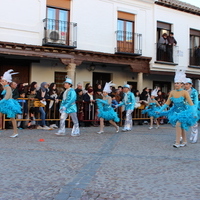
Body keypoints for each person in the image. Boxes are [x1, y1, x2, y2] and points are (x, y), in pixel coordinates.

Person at [158, 69, 198, 148]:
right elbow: (167, 103)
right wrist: (160, 110)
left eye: (178, 83)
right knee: (182, 126)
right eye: (175, 83)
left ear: (182, 84)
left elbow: (190, 103)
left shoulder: (184, 92)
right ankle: (185, 141)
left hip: (184, 112)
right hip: (175, 112)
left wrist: (194, 112)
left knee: (178, 124)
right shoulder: (172, 92)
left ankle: (177, 142)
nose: (176, 84)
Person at [0, 69, 22, 137]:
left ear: (7, 82)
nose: (2, 82)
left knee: (12, 119)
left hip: (9, 104)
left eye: (4, 81)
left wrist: (0, 101)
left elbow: (6, 97)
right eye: (2, 81)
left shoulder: (8, 88)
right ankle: (15, 132)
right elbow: (3, 88)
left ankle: (15, 132)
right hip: (5, 104)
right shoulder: (5, 87)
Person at [184, 78, 199, 143]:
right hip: (184, 109)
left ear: (190, 85)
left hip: (192, 108)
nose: (185, 85)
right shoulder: (183, 91)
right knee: (182, 122)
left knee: (193, 123)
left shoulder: (194, 91)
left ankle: (194, 136)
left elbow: (196, 101)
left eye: (187, 84)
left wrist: (194, 110)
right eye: (184, 84)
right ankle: (181, 137)